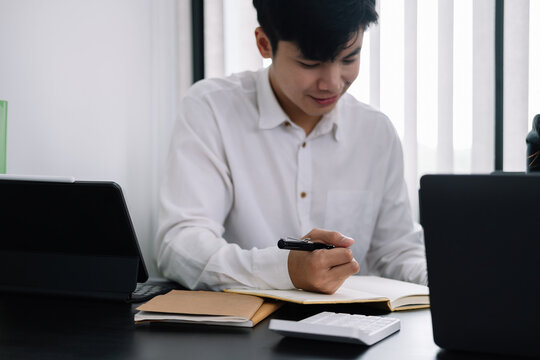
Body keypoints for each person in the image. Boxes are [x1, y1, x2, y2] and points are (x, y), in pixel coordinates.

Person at [155, 0, 427, 294]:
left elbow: (397, 251)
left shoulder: (376, 132)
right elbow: (180, 243)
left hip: (358, 330)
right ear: (264, 43)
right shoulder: (212, 109)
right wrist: (283, 270)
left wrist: (451, 278)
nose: (333, 83)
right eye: (310, 64)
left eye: (349, 59)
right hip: (244, 331)